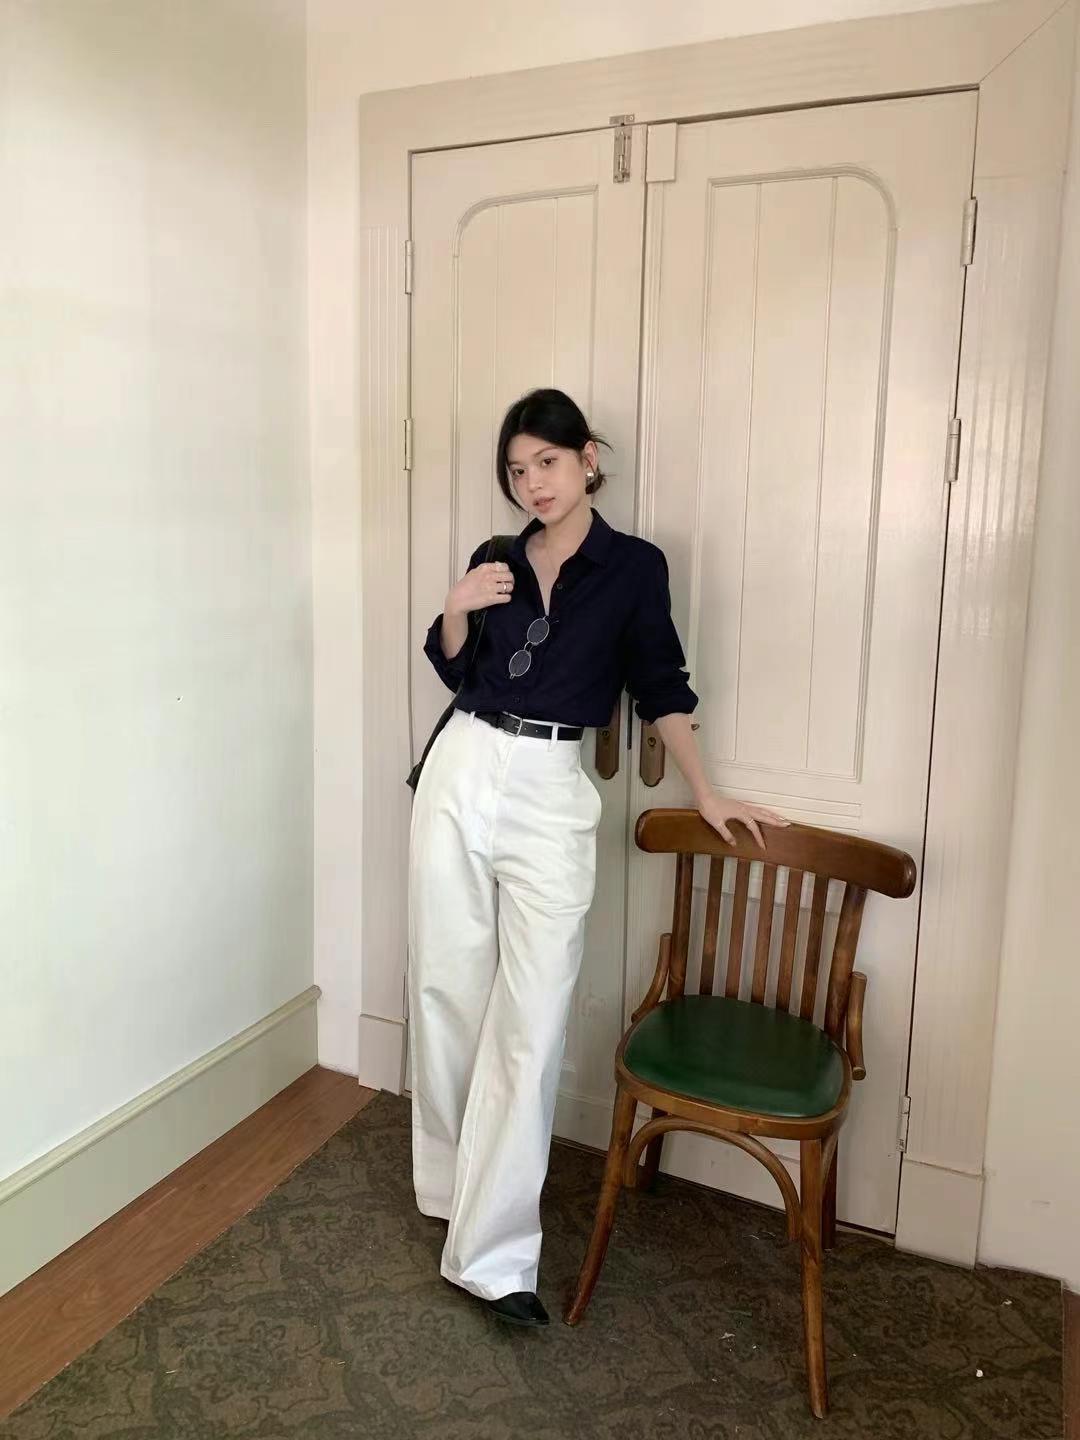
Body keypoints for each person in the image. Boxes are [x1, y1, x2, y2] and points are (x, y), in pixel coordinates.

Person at [408, 388, 788, 1327]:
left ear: (587, 458)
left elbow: (661, 682)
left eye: (546, 461)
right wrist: (454, 607)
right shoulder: (496, 559)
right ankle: (449, 1188)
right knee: (447, 986)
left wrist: (705, 789)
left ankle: (494, 1258)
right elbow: (458, 668)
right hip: (463, 764)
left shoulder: (634, 567)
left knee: (532, 1019)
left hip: (549, 783)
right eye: (516, 470)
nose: (532, 483)